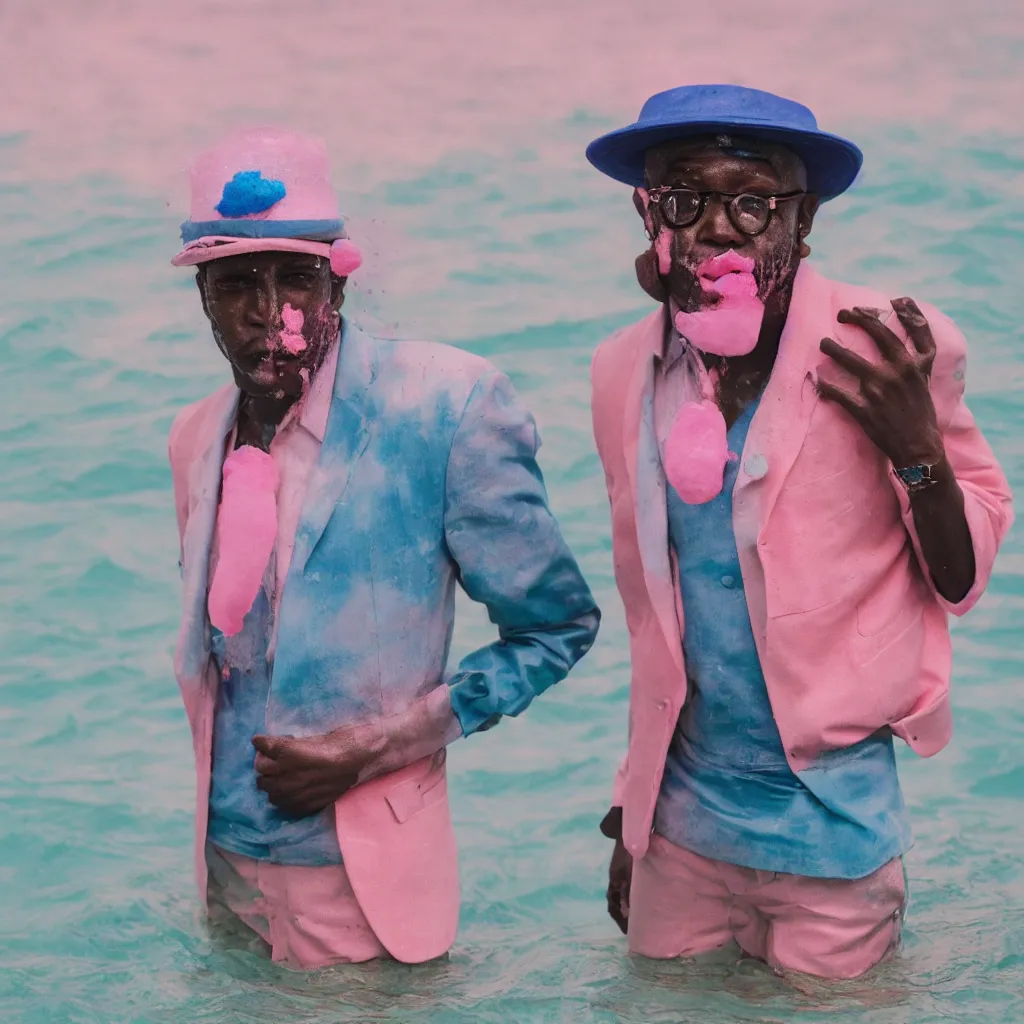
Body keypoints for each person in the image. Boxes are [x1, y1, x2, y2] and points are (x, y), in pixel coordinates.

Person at [585, 85, 1013, 980]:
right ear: (650, 216)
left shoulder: (890, 345)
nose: (719, 228)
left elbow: (961, 580)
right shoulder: (623, 368)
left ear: (803, 220)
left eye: (753, 201)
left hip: (834, 831)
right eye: (684, 200)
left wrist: (915, 446)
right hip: (682, 831)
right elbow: (658, 616)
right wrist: (636, 809)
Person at [167, 127, 599, 969]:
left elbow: (556, 631)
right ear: (204, 299)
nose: (269, 313)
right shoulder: (194, 438)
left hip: (362, 879)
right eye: (236, 285)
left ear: (339, 283)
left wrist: (374, 749)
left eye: (296, 278)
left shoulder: (448, 406)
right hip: (225, 866)